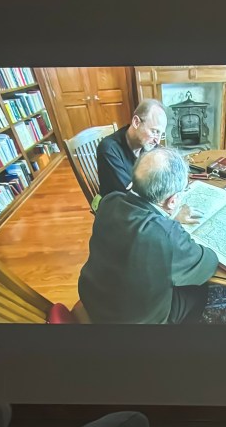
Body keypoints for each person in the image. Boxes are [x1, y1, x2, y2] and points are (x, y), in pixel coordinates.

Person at [78, 146, 218, 324]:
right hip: (133, 324)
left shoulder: (109, 201)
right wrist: (173, 223)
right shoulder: (166, 234)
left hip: (93, 300)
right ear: (172, 201)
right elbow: (207, 265)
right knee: (200, 288)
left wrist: (171, 217)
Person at [95, 99, 167, 200]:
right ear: (136, 122)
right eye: (154, 131)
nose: (157, 141)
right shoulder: (109, 149)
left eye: (161, 134)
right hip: (119, 205)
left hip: (141, 200)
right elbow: (133, 194)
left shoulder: (148, 145)